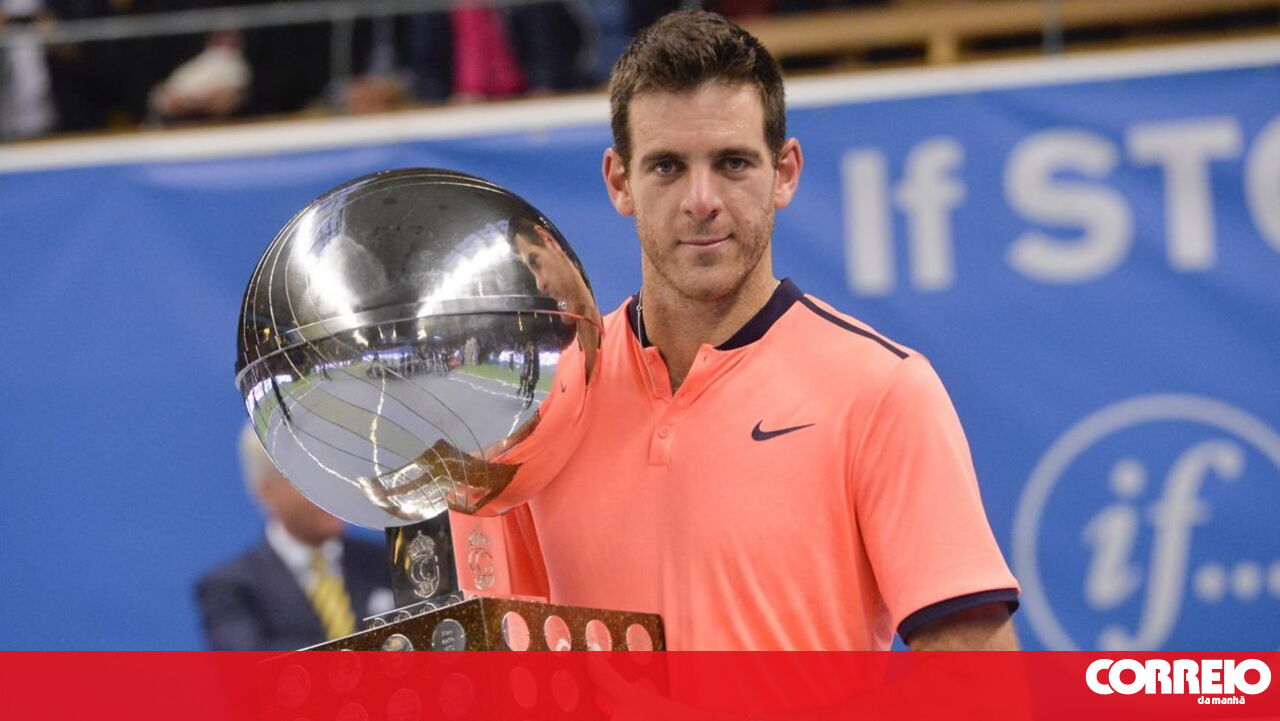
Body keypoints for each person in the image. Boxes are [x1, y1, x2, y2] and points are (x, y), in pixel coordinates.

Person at [494, 10, 1021, 654]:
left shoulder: (883, 391)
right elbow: (502, 659)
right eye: (667, 167)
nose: (702, 200)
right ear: (619, 182)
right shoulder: (543, 397)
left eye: (733, 163)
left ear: (785, 172)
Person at [194, 424, 393, 651]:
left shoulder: (387, 562)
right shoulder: (231, 588)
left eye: (337, 475)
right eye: (312, 480)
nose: (332, 493)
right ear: (267, 491)